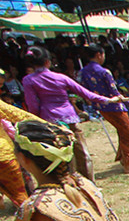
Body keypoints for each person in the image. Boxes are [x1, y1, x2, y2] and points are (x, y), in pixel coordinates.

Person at [22, 46, 121, 181]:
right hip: (70, 118)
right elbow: (85, 93)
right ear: (47, 62)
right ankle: (88, 182)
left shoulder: (29, 80)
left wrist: (35, 120)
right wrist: (108, 100)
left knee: (57, 154)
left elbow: (32, 104)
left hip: (49, 121)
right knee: (80, 151)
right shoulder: (61, 77)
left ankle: (65, 181)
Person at [79, 45, 129, 174]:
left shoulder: (83, 72)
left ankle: (123, 158)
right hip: (115, 107)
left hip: (101, 107)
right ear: (99, 54)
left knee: (122, 131)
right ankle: (127, 164)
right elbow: (115, 93)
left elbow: (85, 92)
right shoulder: (104, 72)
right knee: (126, 133)